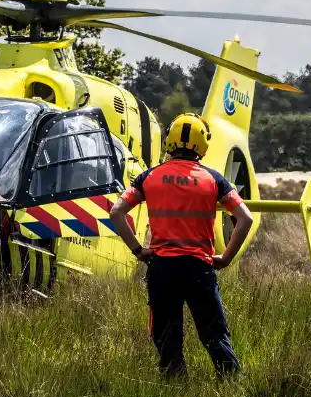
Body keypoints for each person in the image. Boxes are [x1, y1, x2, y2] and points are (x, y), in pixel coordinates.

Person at [108, 113, 255, 379]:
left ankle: (176, 389)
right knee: (214, 335)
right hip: (200, 267)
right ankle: (234, 385)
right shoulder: (214, 179)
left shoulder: (149, 177)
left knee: (166, 337)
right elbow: (245, 218)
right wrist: (226, 257)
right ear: (202, 145)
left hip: (162, 268)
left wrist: (138, 250)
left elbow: (117, 212)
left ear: (170, 141)